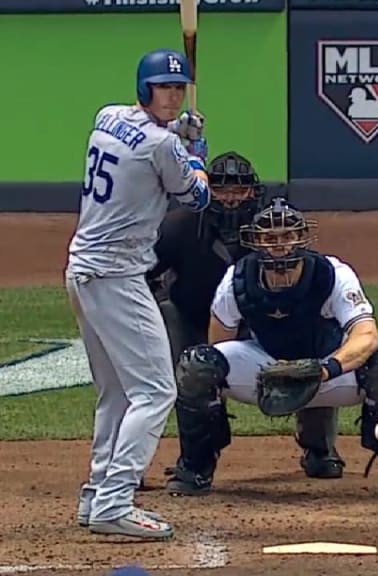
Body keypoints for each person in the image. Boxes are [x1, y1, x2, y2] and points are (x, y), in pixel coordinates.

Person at [163, 198, 378, 499]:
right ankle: (195, 467)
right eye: (270, 238)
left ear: (302, 238)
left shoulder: (333, 274)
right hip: (265, 366)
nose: (280, 245)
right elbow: (219, 345)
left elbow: (365, 336)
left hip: (325, 369)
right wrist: (216, 403)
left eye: (287, 236)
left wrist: (325, 369)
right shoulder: (237, 279)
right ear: (256, 241)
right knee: (198, 364)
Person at [66, 47, 210, 541]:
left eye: (177, 88)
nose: (172, 95)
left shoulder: (107, 117)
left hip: (82, 271)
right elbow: (195, 196)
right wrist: (195, 152)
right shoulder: (161, 146)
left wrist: (177, 138)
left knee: (116, 393)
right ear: (144, 88)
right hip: (117, 276)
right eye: (164, 87)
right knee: (154, 390)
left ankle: (97, 493)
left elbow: (146, 142)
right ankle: (115, 502)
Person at [146, 152, 347, 483]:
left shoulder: (271, 231)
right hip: (192, 319)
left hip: (261, 326)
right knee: (178, 345)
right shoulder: (180, 226)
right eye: (222, 190)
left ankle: (320, 447)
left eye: (238, 191)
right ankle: (197, 454)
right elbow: (143, 272)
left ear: (253, 193)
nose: (230, 199)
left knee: (311, 351)